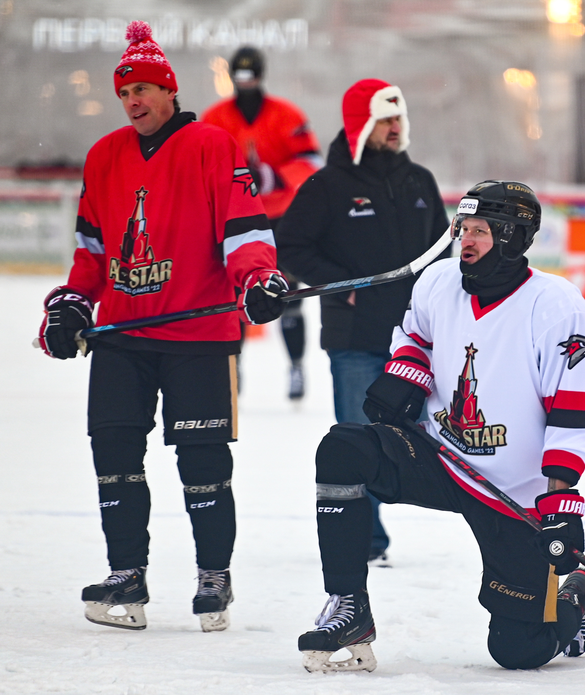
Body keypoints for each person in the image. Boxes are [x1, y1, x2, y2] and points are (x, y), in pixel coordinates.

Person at [37, 21, 288, 633]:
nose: (134, 102)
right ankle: (126, 574)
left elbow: (245, 229)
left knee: (202, 461)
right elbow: (92, 251)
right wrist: (72, 301)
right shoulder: (103, 156)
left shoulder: (212, 145)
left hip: (199, 336)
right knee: (114, 455)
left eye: (145, 89)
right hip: (123, 336)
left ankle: (213, 576)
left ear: (169, 91)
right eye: (125, 92)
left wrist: (256, 281)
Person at [295, 181, 585, 673]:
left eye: (481, 231)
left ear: (512, 237)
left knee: (517, 651)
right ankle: (348, 606)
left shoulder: (557, 307)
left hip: (512, 490)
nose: (467, 240)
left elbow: (573, 410)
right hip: (437, 455)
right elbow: (413, 336)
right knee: (342, 447)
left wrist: (560, 502)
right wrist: (405, 378)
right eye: (464, 229)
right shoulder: (438, 282)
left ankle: (574, 599)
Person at [277, 78, 450, 564]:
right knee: (357, 439)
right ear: (361, 125)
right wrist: (343, 283)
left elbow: (442, 252)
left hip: (415, 341)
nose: (396, 128)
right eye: (385, 120)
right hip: (355, 341)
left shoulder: (420, 181)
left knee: (422, 441)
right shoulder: (327, 186)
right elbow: (290, 246)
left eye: (399, 119)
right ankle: (365, 541)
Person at [201, 46, 322, 400]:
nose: (245, 84)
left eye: (249, 76)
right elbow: (200, 165)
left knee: (287, 294)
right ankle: (234, 365)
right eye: (239, 77)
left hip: (283, 216)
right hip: (237, 217)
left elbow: (312, 161)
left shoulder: (286, 115)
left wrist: (275, 176)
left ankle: (296, 365)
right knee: (238, 296)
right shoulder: (215, 117)